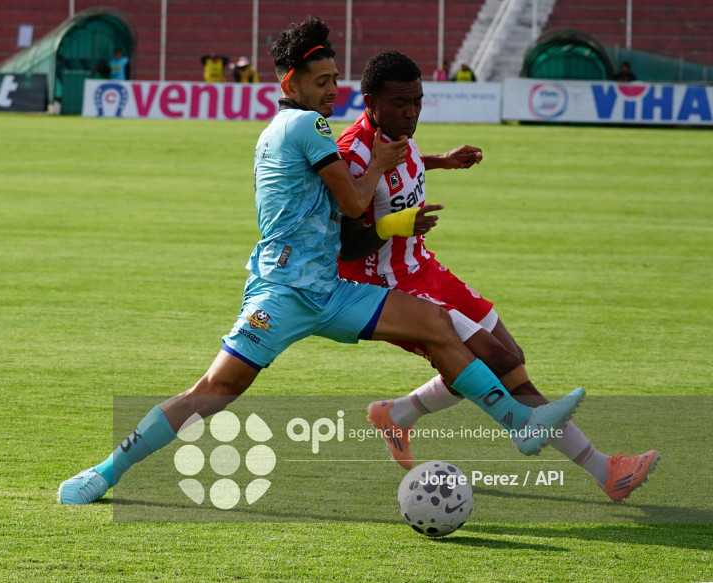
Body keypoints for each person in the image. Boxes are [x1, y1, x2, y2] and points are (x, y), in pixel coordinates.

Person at [57, 17, 584, 505]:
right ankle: (105, 471)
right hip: (283, 293)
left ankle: (519, 423)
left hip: (329, 291)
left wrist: (430, 161)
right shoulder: (308, 126)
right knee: (215, 390)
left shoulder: (282, 127)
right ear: (291, 84)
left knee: (435, 323)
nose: (333, 90)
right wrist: (378, 165)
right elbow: (354, 202)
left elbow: (338, 186)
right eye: (321, 81)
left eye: (335, 79)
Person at [336, 49, 658, 503]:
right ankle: (605, 470)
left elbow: (402, 161)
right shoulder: (351, 155)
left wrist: (441, 160)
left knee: (511, 355)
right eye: (400, 103)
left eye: (418, 101)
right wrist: (395, 225)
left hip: (424, 268)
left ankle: (398, 414)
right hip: (390, 286)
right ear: (370, 102)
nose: (411, 113)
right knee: (498, 362)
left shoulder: (396, 134)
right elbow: (346, 246)